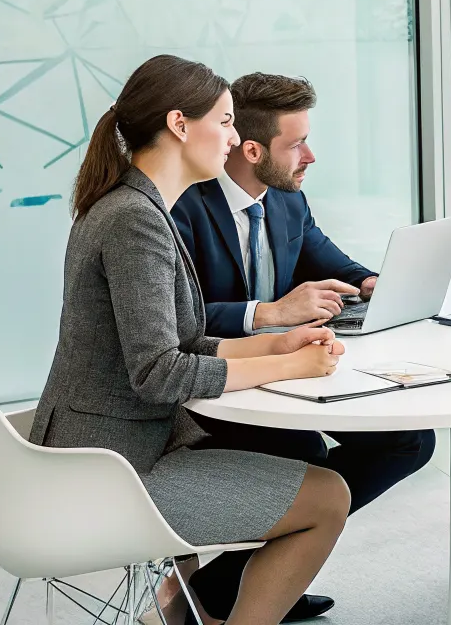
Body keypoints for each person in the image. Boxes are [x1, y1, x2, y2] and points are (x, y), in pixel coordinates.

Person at [29, 55, 352, 625]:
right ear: (181, 125)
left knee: (309, 472)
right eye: (225, 123)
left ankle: (190, 610)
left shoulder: (138, 206)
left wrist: (274, 345)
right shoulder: (135, 219)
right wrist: (290, 370)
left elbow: (180, 342)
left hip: (119, 447)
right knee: (327, 499)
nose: (233, 141)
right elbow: (159, 373)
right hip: (112, 468)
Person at [168, 72, 437, 623]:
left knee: (409, 441)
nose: (309, 156)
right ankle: (263, 579)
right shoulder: (184, 209)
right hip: (216, 384)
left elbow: (328, 259)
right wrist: (265, 314)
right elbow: (175, 321)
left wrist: (371, 283)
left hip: (293, 369)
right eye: (295, 144)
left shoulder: (287, 201)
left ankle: (239, 582)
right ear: (251, 149)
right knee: (308, 456)